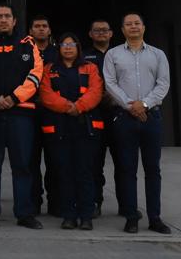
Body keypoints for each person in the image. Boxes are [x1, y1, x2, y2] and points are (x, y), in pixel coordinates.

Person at [0, 2, 44, 230]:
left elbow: (36, 73)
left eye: (7, 16)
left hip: (20, 114)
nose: (3, 20)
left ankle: (24, 213)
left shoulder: (28, 44)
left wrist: (14, 97)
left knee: (22, 165)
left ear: (14, 21)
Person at [103, 12, 172, 234]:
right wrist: (130, 106)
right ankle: (131, 217)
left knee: (153, 169)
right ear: (122, 30)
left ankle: (155, 218)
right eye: (128, 24)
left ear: (143, 27)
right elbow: (110, 83)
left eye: (137, 23)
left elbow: (163, 83)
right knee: (127, 169)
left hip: (152, 117)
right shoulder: (113, 54)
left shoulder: (158, 54)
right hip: (124, 118)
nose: (133, 27)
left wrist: (144, 104)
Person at [38, 32, 105, 230]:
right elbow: (46, 94)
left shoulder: (90, 68)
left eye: (72, 44)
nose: (68, 48)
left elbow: (96, 91)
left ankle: (86, 216)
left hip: (85, 128)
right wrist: (68, 107)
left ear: (78, 48)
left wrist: (79, 107)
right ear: (58, 48)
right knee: (64, 173)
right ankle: (68, 215)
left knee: (85, 172)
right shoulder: (49, 69)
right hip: (59, 128)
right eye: (64, 45)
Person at [83, 18, 121, 219]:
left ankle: (126, 205)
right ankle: (95, 202)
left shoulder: (121, 54)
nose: (101, 33)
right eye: (96, 30)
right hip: (94, 114)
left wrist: (116, 97)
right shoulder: (83, 57)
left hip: (118, 114)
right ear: (90, 34)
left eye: (105, 30)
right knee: (94, 163)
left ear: (111, 33)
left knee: (123, 162)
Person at [28, 14, 60, 217]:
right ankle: (34, 202)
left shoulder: (58, 54)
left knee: (54, 159)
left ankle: (55, 202)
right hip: (29, 112)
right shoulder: (24, 51)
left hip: (53, 113)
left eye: (44, 26)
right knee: (31, 161)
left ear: (49, 30)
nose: (41, 29)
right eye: (37, 26)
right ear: (30, 31)